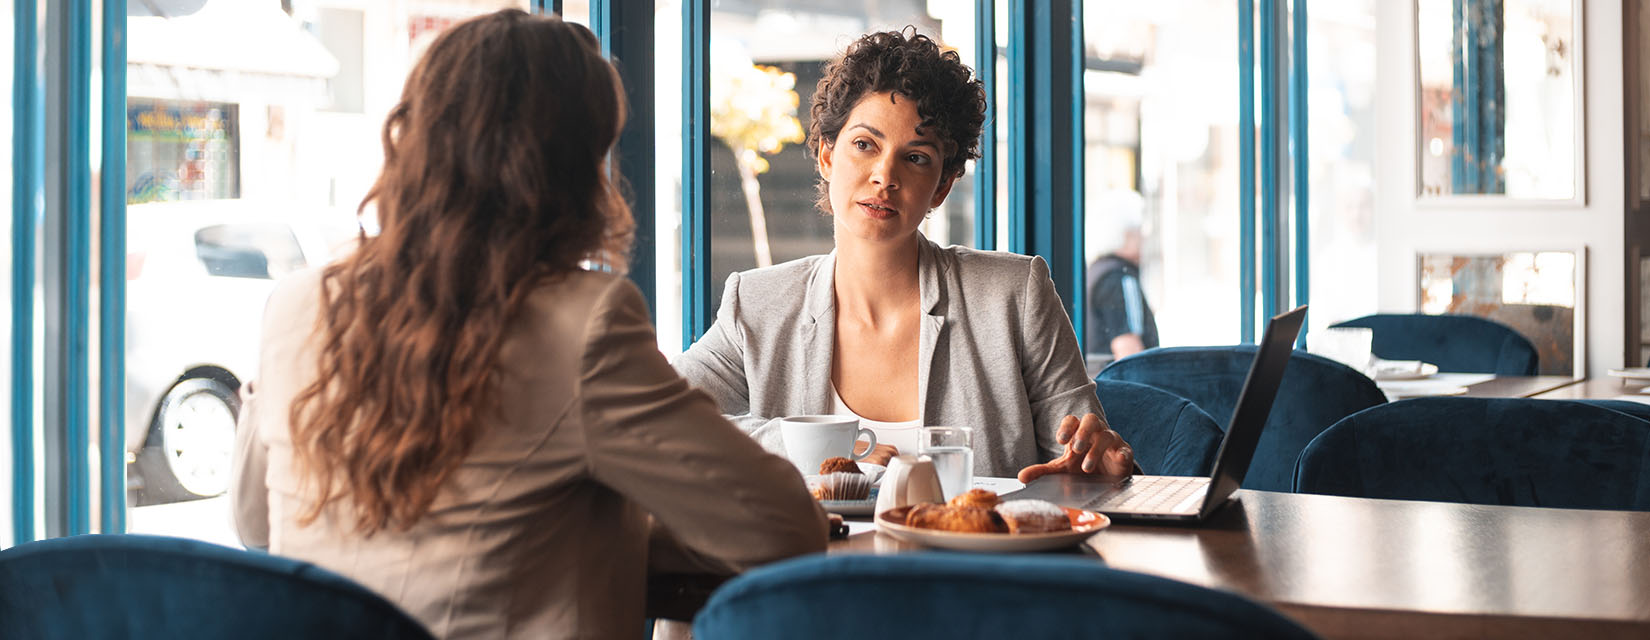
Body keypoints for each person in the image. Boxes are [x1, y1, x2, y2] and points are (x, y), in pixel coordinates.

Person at [231, 11, 826, 639]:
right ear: (574, 171)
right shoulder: (582, 324)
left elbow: (256, 524)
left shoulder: (295, 305)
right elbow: (784, 527)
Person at [673, 29, 1134, 483]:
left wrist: (1103, 465)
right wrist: (811, 449)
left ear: (942, 187)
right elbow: (663, 416)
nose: (884, 176)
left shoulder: (1014, 295)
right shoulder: (756, 304)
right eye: (864, 145)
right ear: (827, 157)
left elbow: (1086, 463)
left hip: (977, 557)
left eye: (915, 158)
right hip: (815, 557)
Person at [1085, 190, 1159, 361]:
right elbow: (1129, 351)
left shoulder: (1095, 272)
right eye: (1139, 232)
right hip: (1118, 384)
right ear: (1125, 235)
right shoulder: (1120, 277)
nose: (1143, 239)